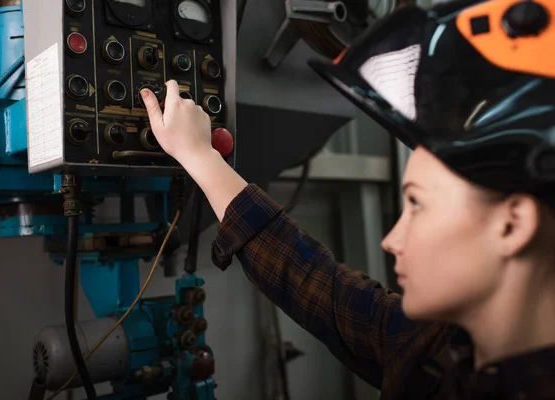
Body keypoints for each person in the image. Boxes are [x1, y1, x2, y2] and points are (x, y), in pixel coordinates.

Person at [140, 0, 555, 398]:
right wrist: (200, 158)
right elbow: (316, 284)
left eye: (417, 204)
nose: (391, 240)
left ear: (513, 224)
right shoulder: (435, 348)